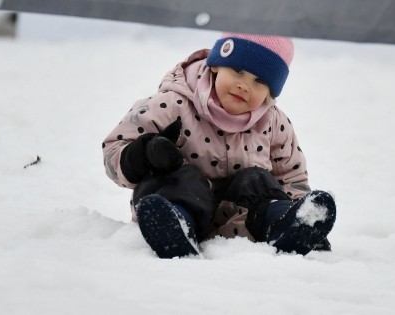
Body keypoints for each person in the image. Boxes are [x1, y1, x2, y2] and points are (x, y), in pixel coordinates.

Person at [101, 33, 336, 258]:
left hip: (241, 225)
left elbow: (291, 176)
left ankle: (285, 227)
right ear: (215, 65)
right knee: (185, 177)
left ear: (270, 92)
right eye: (238, 71)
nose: (244, 86)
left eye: (259, 80)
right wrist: (145, 153)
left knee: (257, 181)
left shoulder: (273, 123)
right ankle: (173, 227)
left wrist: (296, 214)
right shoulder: (172, 105)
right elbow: (114, 149)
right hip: (178, 202)